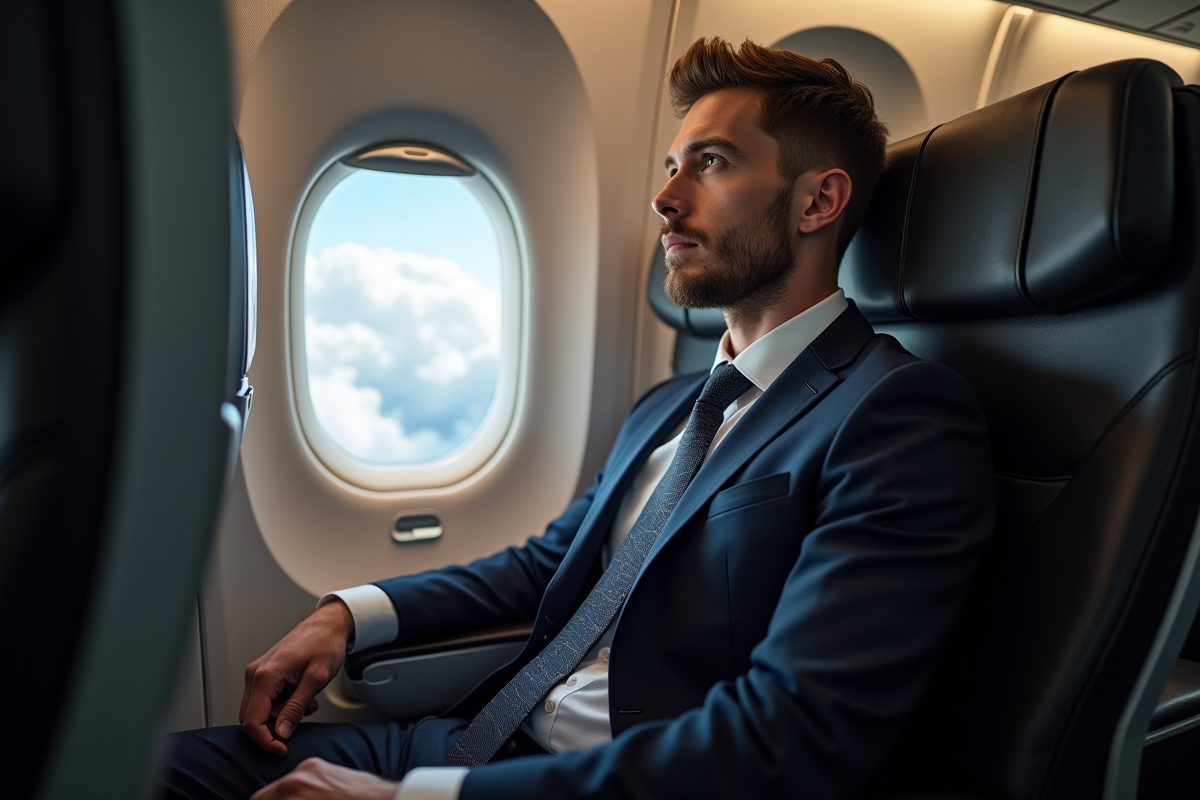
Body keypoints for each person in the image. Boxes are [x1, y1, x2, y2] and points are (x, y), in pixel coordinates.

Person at [164, 36, 994, 800]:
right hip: (474, 744)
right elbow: (549, 563)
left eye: (710, 164)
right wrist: (345, 613)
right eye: (671, 165)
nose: (665, 198)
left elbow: (794, 735)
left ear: (818, 203)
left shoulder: (897, 415)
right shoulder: (670, 406)